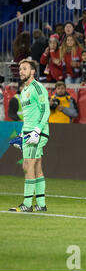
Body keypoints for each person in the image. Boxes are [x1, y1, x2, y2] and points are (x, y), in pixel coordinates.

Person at [9, 59, 50, 213]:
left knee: (27, 165)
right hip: (29, 132)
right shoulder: (24, 91)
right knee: (37, 166)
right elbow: (30, 115)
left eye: (25, 68)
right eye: (20, 69)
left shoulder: (37, 87)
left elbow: (46, 110)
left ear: (33, 71)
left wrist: (37, 131)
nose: (21, 71)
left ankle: (27, 204)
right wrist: (22, 134)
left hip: (36, 133)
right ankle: (41, 204)